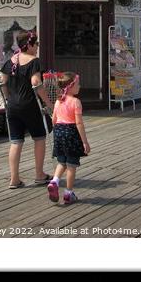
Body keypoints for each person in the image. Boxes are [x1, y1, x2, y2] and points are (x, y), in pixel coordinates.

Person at [0, 31, 54, 189]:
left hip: (13, 106)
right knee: (39, 138)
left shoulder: (10, 61)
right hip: (30, 105)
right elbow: (36, 83)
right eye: (36, 44)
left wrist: (9, 99)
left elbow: (3, 83)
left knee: (16, 142)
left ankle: (14, 179)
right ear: (29, 45)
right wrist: (50, 104)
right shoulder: (34, 61)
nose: (37, 47)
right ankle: (39, 175)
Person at [47, 72, 90, 205]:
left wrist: (58, 132)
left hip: (59, 132)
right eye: (77, 84)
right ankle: (68, 193)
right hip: (71, 132)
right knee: (71, 166)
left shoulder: (58, 101)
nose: (80, 86)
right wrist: (84, 142)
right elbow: (79, 123)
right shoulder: (76, 102)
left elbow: (53, 120)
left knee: (61, 162)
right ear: (70, 87)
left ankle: (54, 181)